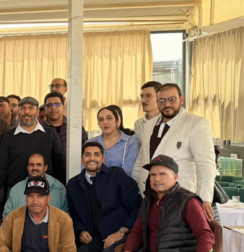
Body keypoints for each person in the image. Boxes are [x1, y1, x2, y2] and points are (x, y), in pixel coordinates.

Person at [109, 155, 215, 252]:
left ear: (175, 177)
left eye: (162, 174)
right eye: (153, 175)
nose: (157, 178)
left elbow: (205, 235)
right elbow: (137, 230)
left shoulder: (188, 201)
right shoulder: (149, 200)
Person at [132, 83, 217, 221]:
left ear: (181, 99)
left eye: (172, 99)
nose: (167, 104)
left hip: (180, 198)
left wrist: (205, 198)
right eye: (162, 100)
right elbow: (142, 159)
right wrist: (132, 186)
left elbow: (205, 165)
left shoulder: (196, 123)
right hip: (149, 197)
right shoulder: (149, 125)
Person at [67, 142, 141, 252]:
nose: (92, 158)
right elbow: (73, 214)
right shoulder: (73, 184)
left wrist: (122, 231)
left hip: (120, 234)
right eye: (87, 155)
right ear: (82, 159)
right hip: (93, 239)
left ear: (103, 158)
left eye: (96, 154)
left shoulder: (117, 175)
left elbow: (136, 205)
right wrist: (80, 231)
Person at [0, 97, 65, 213]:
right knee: (15, 223)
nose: (27, 112)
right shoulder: (9, 136)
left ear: (38, 111)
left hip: (46, 192)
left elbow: (59, 163)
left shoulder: (50, 134)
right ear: (18, 111)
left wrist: (63, 189)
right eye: (23, 108)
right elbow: (2, 165)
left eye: (31, 108)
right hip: (16, 193)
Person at [3, 153, 68, 218]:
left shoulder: (59, 188)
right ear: (27, 168)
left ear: (45, 168)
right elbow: (7, 217)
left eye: (38, 165)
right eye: (31, 165)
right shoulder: (16, 190)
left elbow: (66, 217)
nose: (35, 168)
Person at [88, 105, 139, 176]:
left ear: (117, 121)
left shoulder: (130, 142)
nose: (105, 122)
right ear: (98, 124)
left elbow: (128, 170)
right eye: (101, 119)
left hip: (120, 182)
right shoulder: (90, 143)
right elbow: (85, 169)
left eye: (109, 118)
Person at [43, 92, 87, 162]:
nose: (53, 107)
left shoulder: (76, 128)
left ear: (63, 107)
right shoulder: (40, 130)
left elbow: (86, 150)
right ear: (45, 109)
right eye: (49, 105)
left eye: (57, 104)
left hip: (73, 167)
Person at [134, 81, 162, 145]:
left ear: (159, 97)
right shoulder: (138, 124)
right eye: (142, 97)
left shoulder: (168, 121)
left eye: (148, 96)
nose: (143, 101)